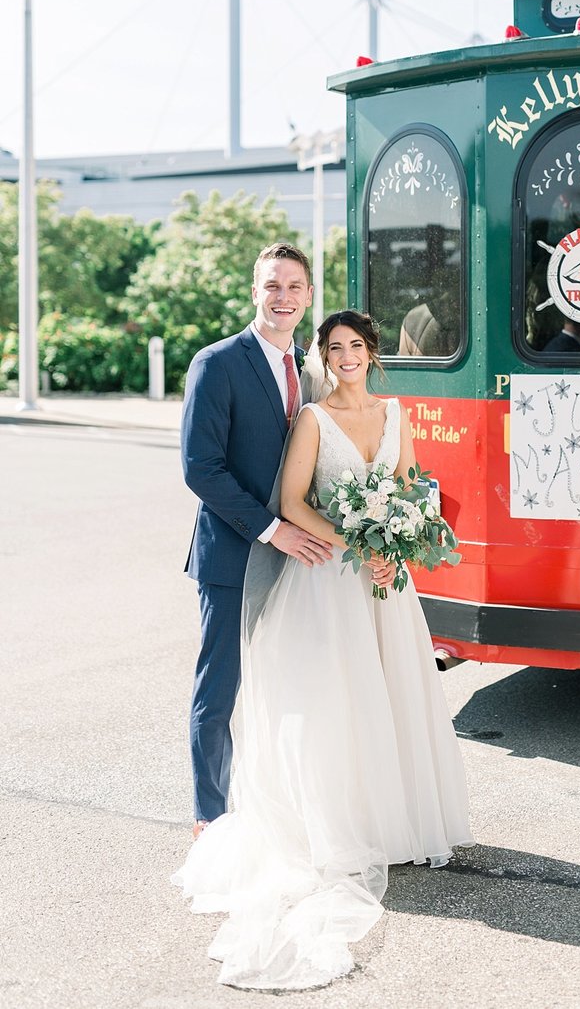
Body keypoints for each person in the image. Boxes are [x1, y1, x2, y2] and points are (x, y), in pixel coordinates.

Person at [173, 309, 473, 990]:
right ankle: (306, 823)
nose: (345, 357)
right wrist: (358, 543)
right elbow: (292, 499)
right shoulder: (311, 419)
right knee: (334, 699)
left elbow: (413, 489)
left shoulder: (398, 414)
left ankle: (391, 824)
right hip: (329, 574)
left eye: (356, 347)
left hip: (385, 584)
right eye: (334, 348)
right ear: (322, 356)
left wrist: (397, 544)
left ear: (373, 354)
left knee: (390, 694)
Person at [180, 242, 334, 840]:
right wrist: (275, 531)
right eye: (272, 285)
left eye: (294, 287)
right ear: (254, 291)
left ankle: (289, 803)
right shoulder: (216, 363)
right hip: (236, 552)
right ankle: (210, 817)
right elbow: (201, 467)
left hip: (304, 558)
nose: (283, 297)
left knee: (297, 679)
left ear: (309, 296)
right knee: (221, 688)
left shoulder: (313, 368)